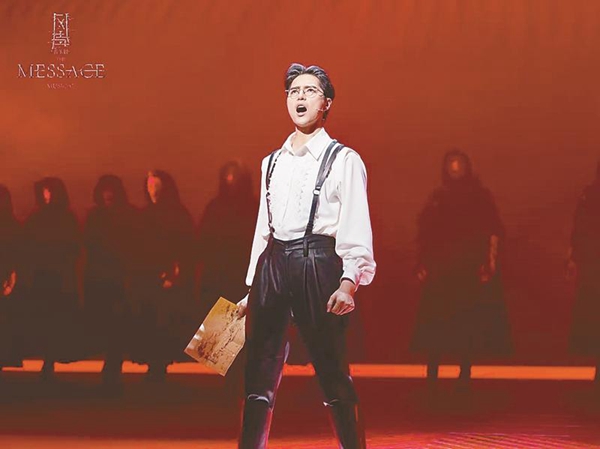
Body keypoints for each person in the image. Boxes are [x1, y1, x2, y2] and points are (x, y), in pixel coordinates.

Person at [236, 63, 376, 449]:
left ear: (326, 103)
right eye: (293, 91)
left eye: (310, 90)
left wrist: (349, 282)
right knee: (258, 373)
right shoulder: (271, 162)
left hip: (317, 261)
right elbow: (263, 229)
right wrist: (252, 287)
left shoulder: (343, 159)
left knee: (331, 369)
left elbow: (355, 225)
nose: (300, 97)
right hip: (274, 264)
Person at [412, 150, 511, 383]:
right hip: (441, 271)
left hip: (467, 269)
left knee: (466, 322)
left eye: (459, 164)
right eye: (451, 164)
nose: (455, 168)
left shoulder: (479, 197)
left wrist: (489, 262)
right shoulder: (438, 197)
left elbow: (492, 230)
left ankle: (464, 372)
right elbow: (426, 233)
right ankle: (433, 372)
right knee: (437, 322)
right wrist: (422, 262)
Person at [130, 170, 195, 382]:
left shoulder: (178, 215)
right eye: (149, 186)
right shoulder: (144, 215)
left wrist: (175, 272)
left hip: (170, 281)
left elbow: (186, 248)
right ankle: (153, 365)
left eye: (157, 186)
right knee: (149, 323)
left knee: (166, 324)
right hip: (148, 279)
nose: (153, 191)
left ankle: (160, 366)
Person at [23, 177, 81, 380]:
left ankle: (50, 360)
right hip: (42, 277)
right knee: (44, 319)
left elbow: (74, 248)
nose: (47, 195)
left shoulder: (65, 218)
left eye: (50, 191)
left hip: (58, 277)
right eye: (45, 191)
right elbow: (27, 245)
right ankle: (47, 359)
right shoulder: (37, 218)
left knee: (55, 320)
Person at [83, 175, 138, 388]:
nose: (108, 194)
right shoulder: (96, 216)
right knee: (108, 325)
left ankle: (112, 367)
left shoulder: (125, 216)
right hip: (101, 279)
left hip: (118, 279)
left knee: (116, 325)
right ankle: (112, 366)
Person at [566, 161, 600, 381]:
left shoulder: (588, 196)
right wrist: (575, 258)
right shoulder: (589, 196)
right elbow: (580, 229)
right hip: (593, 266)